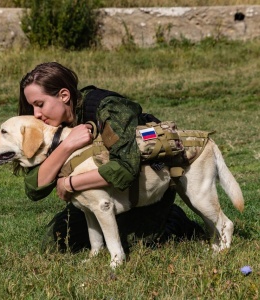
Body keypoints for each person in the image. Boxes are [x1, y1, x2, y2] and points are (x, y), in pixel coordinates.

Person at [17, 62, 204, 253]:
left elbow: (125, 168)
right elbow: (34, 188)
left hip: (144, 191)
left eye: (40, 105)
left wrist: (69, 184)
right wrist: (67, 145)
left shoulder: (109, 108)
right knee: (57, 242)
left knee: (134, 243)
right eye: (32, 107)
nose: (36, 114)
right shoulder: (52, 125)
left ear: (64, 95)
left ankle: (173, 218)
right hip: (100, 194)